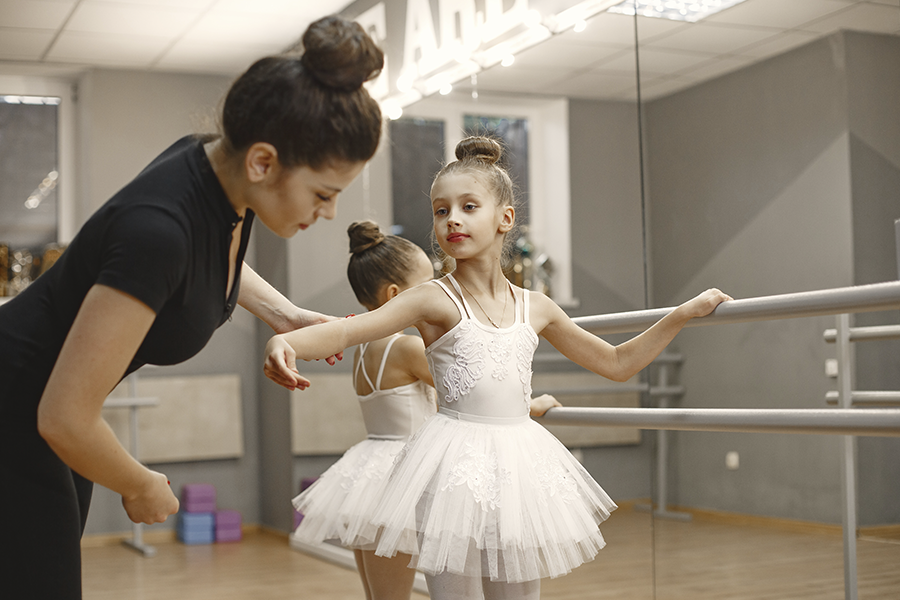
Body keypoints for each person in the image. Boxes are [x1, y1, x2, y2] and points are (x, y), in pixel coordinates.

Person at [0, 15, 383, 599]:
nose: (328, 212)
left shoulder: (214, 171)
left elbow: (209, 256)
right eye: (324, 194)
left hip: (42, 405)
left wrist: (286, 314)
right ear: (263, 162)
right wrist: (140, 483)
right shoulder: (158, 232)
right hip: (20, 410)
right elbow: (63, 417)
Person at [264, 136, 732, 600]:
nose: (453, 219)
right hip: (452, 469)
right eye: (441, 210)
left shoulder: (538, 306)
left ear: (505, 218)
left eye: (469, 206)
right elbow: (349, 331)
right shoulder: (432, 298)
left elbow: (616, 362)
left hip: (517, 467)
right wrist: (287, 340)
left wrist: (681, 315)